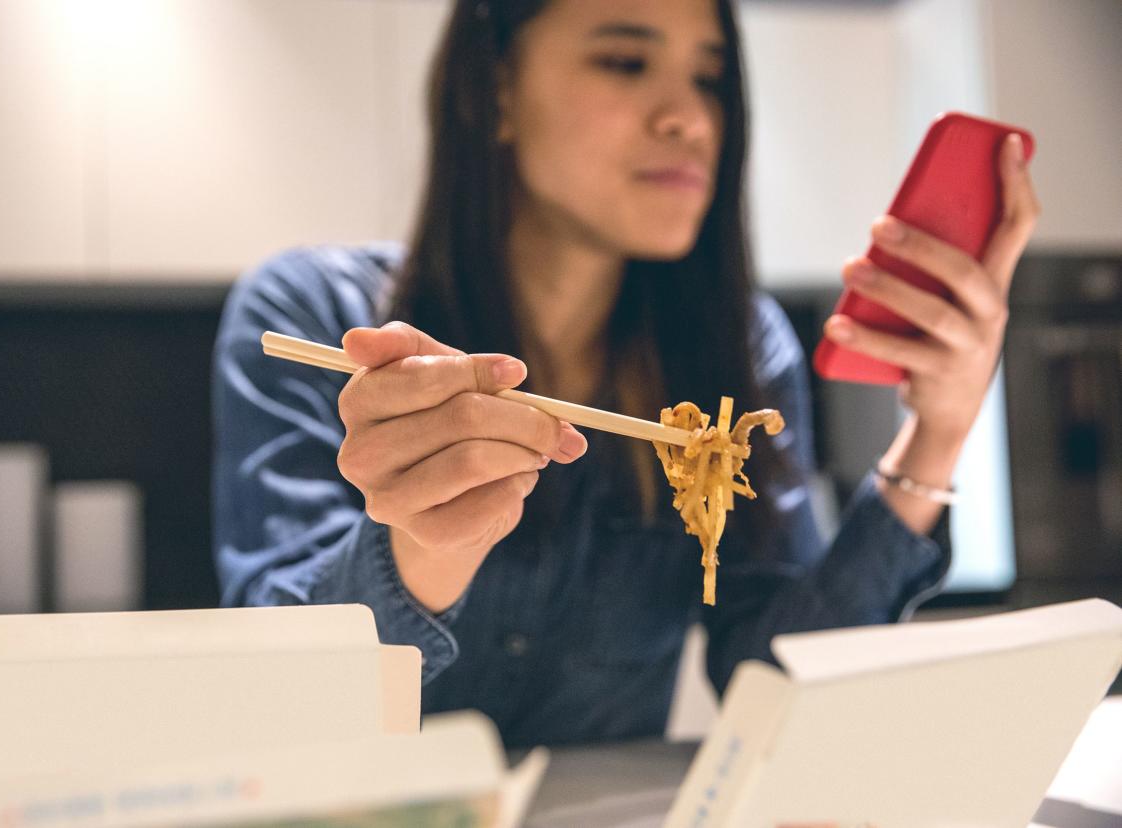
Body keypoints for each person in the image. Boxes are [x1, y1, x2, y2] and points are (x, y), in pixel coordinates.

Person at [211, 0, 1039, 747]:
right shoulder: (317, 316)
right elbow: (284, 699)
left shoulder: (739, 351)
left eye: (710, 79)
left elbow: (777, 684)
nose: (689, 120)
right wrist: (424, 544)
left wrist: (939, 435)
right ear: (493, 90)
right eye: (625, 62)